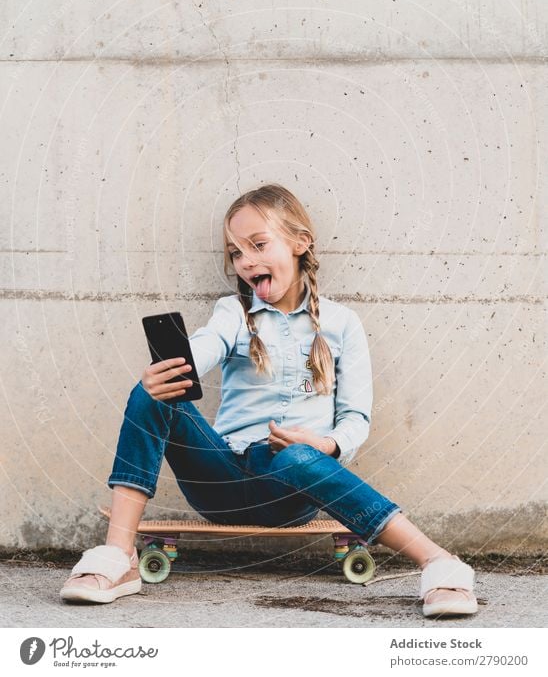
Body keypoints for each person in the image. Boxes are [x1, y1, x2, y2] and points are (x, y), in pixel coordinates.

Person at [60, 184, 478, 617]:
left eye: (258, 245)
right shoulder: (232, 314)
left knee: (297, 457)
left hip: (291, 485)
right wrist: (178, 367)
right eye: (236, 253)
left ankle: (439, 562)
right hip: (218, 478)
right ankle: (117, 556)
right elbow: (208, 344)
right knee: (151, 392)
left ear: (300, 243)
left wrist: (326, 447)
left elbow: (354, 418)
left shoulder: (342, 324)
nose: (246, 262)